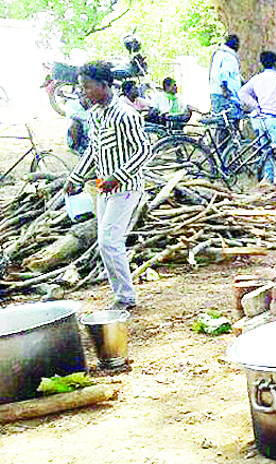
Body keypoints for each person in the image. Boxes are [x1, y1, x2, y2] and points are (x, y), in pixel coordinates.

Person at [64, 61, 152, 311]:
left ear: (104, 85)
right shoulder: (94, 114)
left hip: (127, 188)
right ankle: (122, 294)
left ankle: (126, 298)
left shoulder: (126, 114)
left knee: (109, 241)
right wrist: (75, 178)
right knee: (108, 243)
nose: (83, 92)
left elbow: (144, 150)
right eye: (81, 87)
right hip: (104, 187)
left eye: (87, 86)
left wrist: (119, 175)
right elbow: (93, 151)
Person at [239, 51, 276, 183]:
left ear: (262, 63)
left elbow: (242, 93)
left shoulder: (257, 79)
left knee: (266, 152)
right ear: (275, 63)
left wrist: (256, 105)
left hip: (260, 121)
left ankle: (267, 180)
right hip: (275, 120)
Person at [208, 35, 243, 119]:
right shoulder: (230, 57)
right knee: (231, 120)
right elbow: (224, 74)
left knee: (219, 121)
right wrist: (225, 90)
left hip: (215, 91)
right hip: (227, 95)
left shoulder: (218, 55)